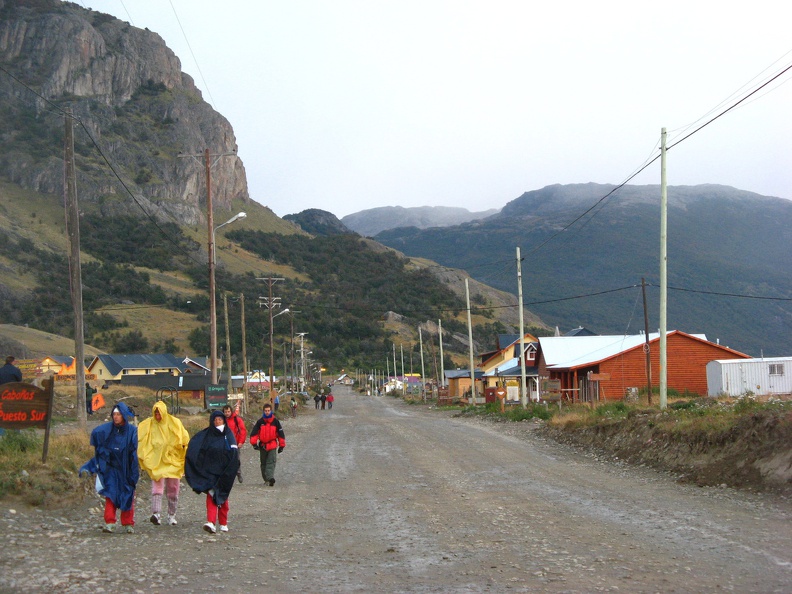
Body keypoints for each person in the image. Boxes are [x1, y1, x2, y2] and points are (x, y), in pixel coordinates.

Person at [79, 402, 139, 533]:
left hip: (125, 469)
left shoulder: (131, 431)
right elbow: (100, 445)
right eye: (114, 414)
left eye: (119, 414)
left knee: (127, 495)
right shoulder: (108, 431)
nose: (116, 417)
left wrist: (134, 474)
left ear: (123, 415)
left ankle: (128, 523)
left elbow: (133, 454)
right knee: (111, 494)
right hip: (111, 469)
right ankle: (110, 522)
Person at [185, 409, 240, 534]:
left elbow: (234, 453)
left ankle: (223, 523)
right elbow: (198, 448)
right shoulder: (207, 435)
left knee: (223, 497)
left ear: (223, 420)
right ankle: (211, 522)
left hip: (224, 472)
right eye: (215, 420)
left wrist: (232, 468)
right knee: (211, 495)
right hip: (210, 471)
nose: (217, 422)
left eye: (220, 419)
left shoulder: (228, 434)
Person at [137, 401, 189, 526]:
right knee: (157, 488)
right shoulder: (149, 424)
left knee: (173, 489)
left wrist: (181, 451)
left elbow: (184, 438)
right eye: (155, 413)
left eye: (159, 413)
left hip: (172, 461)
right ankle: (156, 513)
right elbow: (142, 439)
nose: (157, 416)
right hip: (157, 461)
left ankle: (171, 515)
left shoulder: (174, 422)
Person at [249, 403, 285, 487]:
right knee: (263, 463)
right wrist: (254, 443)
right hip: (263, 445)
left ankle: (270, 478)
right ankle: (266, 479)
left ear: (271, 411)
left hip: (272, 445)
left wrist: (281, 445)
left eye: (268, 411)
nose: (267, 412)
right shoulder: (260, 422)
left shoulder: (275, 422)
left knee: (271, 462)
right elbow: (254, 433)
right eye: (266, 411)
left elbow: (280, 434)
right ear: (263, 411)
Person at [223, 404, 247, 483]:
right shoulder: (221, 420)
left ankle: (238, 473)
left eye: (228, 411)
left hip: (235, 443)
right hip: (224, 444)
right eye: (225, 412)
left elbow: (242, 431)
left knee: (236, 459)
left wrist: (241, 442)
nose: (227, 413)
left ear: (231, 411)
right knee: (225, 460)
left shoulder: (237, 420)